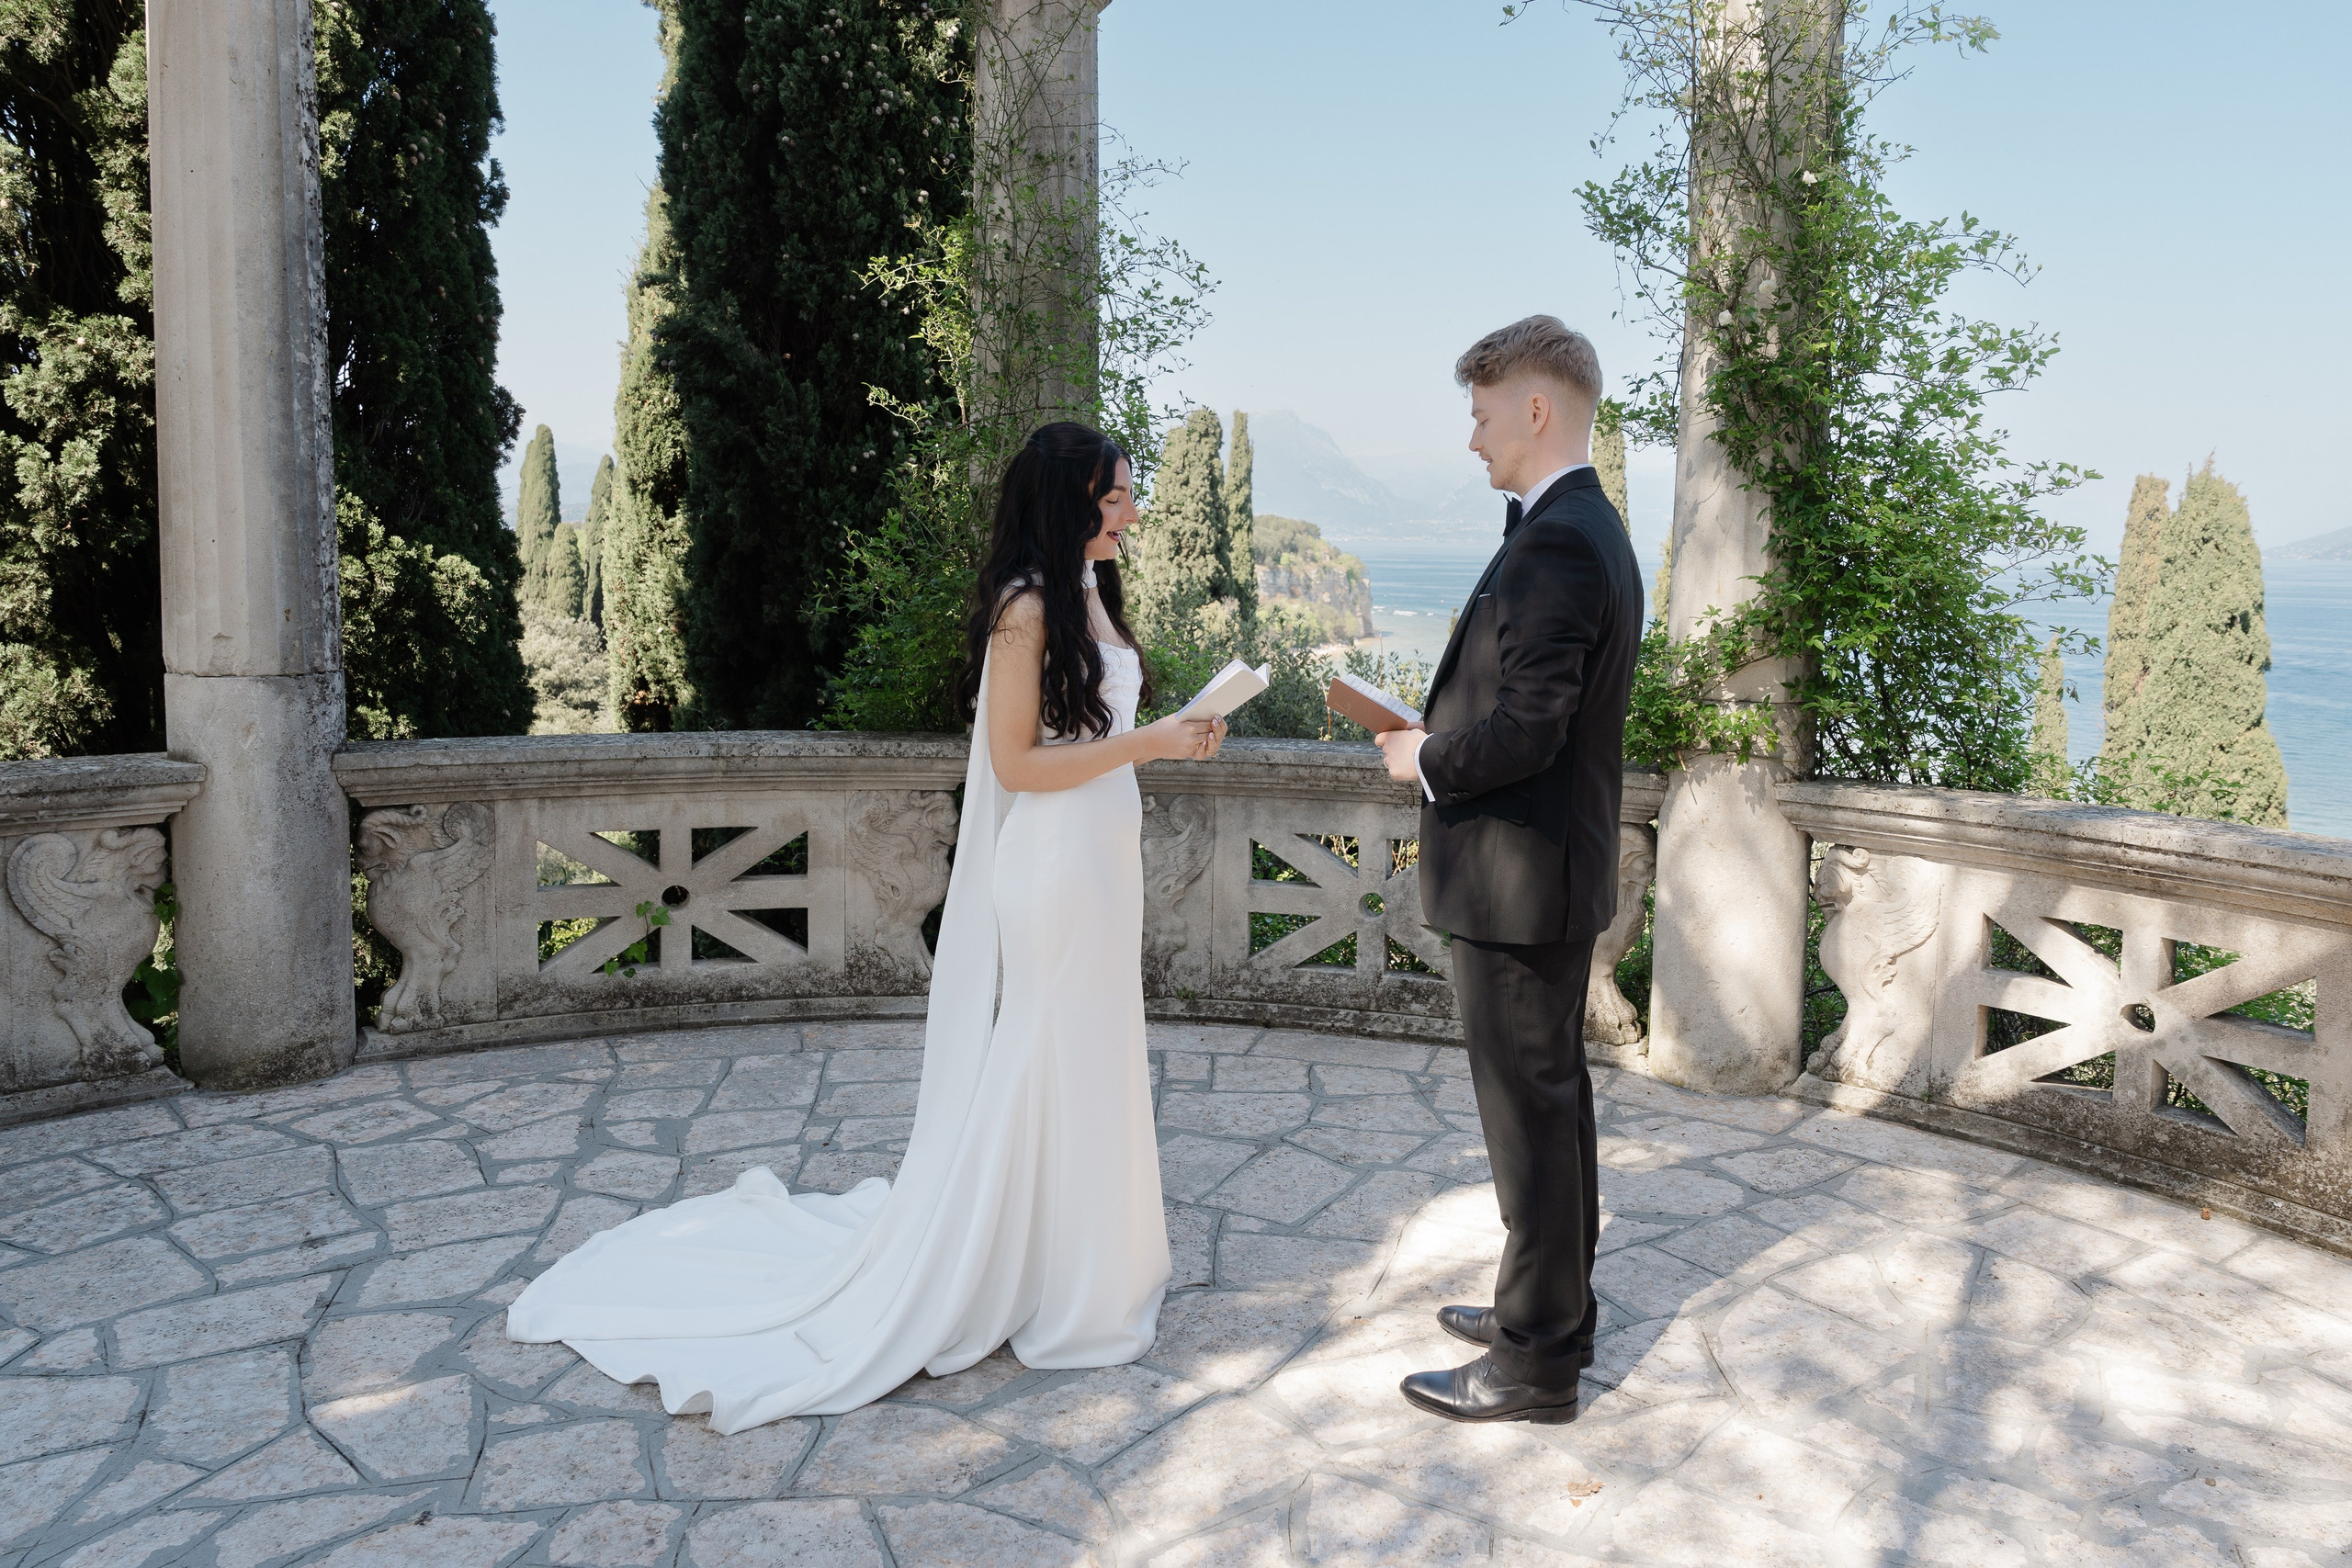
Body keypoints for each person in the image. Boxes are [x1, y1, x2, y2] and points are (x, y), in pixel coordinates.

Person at [506, 423, 1227, 1429]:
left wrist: (1169, 738)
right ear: (1068, 503)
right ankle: (1024, 1269)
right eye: (1113, 499)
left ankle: (1081, 1258)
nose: (1131, 513)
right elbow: (1017, 767)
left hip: (1104, 848)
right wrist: (1145, 743)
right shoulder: (1024, 610)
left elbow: (1091, 734)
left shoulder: (1089, 591)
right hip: (1055, 861)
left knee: (1094, 1047)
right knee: (1046, 1047)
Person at [1373, 317, 1644, 1424]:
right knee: (1551, 1106)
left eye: (1483, 415)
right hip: (1536, 875)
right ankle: (1550, 1311)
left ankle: (1535, 1365)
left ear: (1537, 410)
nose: (1472, 439)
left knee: (1529, 1118)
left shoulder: (1559, 542)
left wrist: (1422, 757)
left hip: (1518, 881)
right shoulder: (1574, 526)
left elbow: (1531, 726)